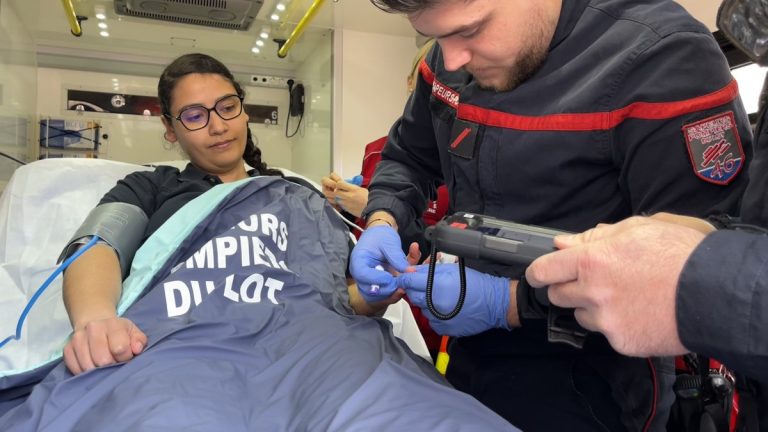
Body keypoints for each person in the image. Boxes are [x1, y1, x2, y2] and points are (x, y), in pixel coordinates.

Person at [352, 0, 754, 430]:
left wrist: (507, 303)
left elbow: (701, 268)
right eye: (436, 36)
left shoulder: (663, 58)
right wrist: (383, 220)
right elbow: (408, 156)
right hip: (471, 349)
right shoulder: (450, 58)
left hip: (595, 380)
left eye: (470, 31)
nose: (452, 59)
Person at [59, 53, 396, 376]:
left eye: (228, 107)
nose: (218, 126)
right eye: (194, 115)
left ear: (243, 111)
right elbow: (96, 245)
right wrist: (96, 319)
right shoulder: (151, 187)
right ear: (170, 127)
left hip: (314, 351)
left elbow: (343, 295)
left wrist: (376, 292)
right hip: (181, 353)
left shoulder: (297, 194)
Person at [322, 39, 448, 357]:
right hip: (367, 294)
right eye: (426, 77)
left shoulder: (455, 158)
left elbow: (449, 244)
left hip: (427, 298)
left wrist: (371, 207)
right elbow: (366, 224)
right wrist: (342, 203)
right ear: (411, 82)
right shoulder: (379, 150)